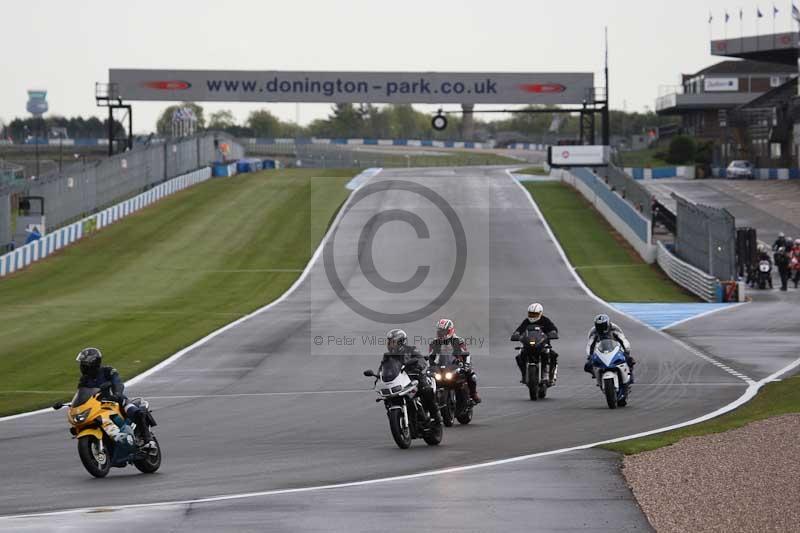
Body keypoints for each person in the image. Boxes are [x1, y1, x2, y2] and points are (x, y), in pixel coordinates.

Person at [75, 347, 153, 446]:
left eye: (84, 364)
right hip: (97, 406)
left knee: (135, 412)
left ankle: (148, 439)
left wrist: (117, 394)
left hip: (116, 401)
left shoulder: (108, 371)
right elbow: (81, 393)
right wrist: (75, 404)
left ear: (93, 363)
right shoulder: (84, 380)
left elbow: (118, 383)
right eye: (81, 364)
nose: (82, 366)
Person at [381, 329, 441, 425]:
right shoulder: (388, 356)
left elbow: (421, 360)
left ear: (400, 342)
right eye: (389, 342)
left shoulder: (411, 350)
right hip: (400, 379)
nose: (389, 344)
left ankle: (436, 416)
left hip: (414, 377)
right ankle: (397, 420)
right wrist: (379, 377)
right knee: (388, 398)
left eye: (392, 342)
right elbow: (383, 367)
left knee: (426, 390)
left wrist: (418, 366)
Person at [428, 318, 481, 404]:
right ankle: (431, 403)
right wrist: (430, 366)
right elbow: (431, 356)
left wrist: (466, 364)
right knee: (429, 380)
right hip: (441, 367)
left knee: (471, 374)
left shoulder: (458, 341)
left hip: (456, 365)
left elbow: (466, 353)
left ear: (450, 331)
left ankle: (473, 394)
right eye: (440, 331)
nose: (442, 334)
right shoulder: (434, 342)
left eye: (445, 331)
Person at [511, 303, 559, 385]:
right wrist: (516, 334)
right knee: (519, 356)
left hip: (542, 345)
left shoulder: (545, 321)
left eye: (535, 314)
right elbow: (520, 329)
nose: (532, 316)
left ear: (540, 313)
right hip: (528, 345)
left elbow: (553, 328)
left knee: (553, 355)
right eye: (531, 314)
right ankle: (524, 374)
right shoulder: (526, 321)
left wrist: (553, 333)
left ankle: (550, 375)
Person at [584, 314, 636, 383]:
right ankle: (596, 374)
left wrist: (626, 351)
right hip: (601, 350)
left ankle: (630, 373)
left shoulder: (614, 329)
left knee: (630, 360)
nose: (601, 328)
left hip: (616, 348)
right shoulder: (594, 332)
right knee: (587, 366)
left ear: (607, 324)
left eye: (603, 325)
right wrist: (589, 356)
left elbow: (623, 340)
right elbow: (590, 344)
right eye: (599, 326)